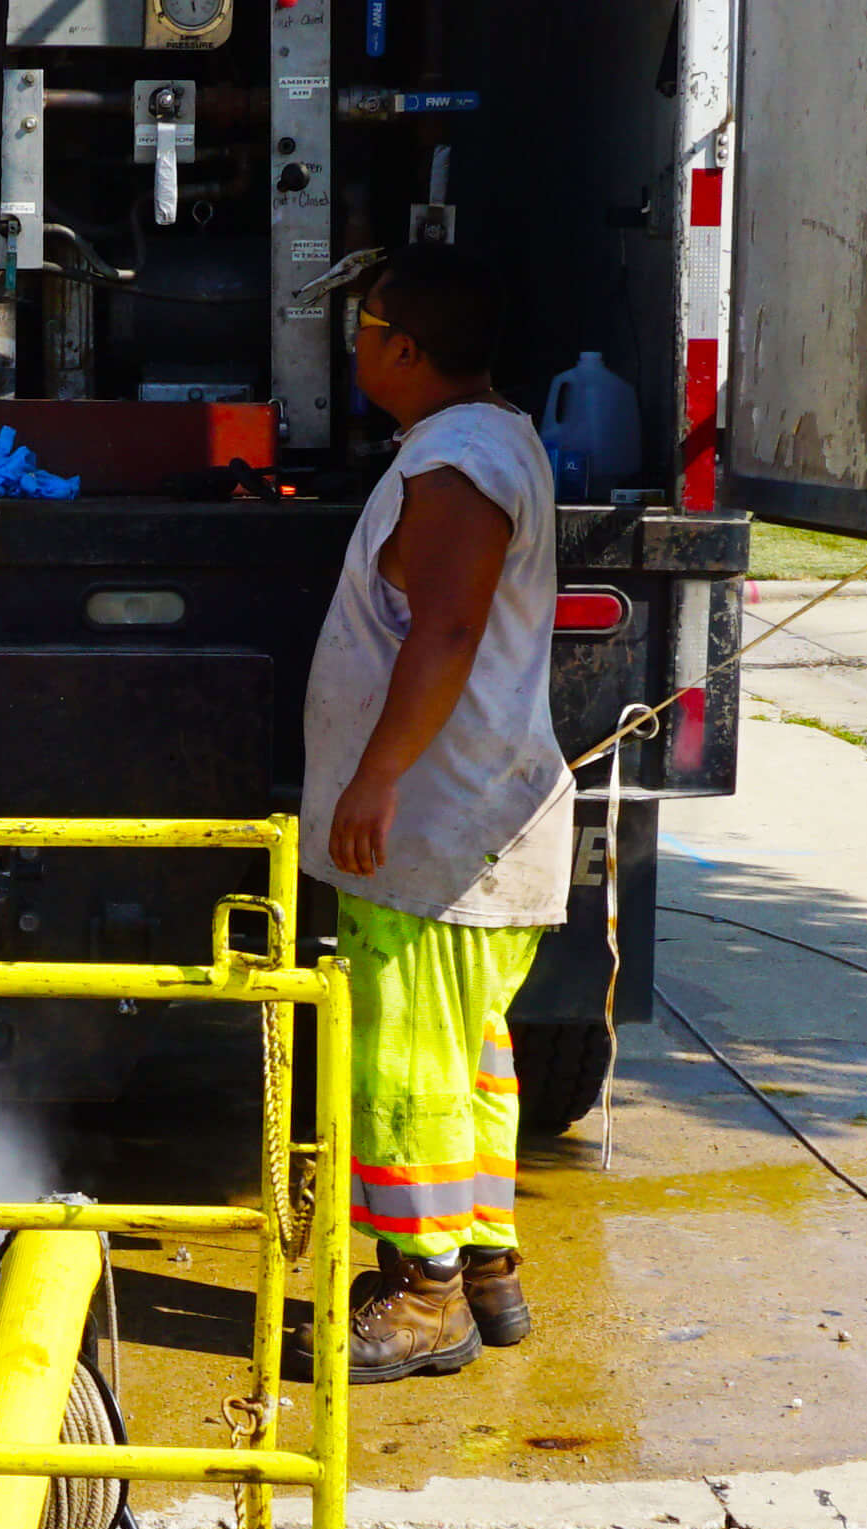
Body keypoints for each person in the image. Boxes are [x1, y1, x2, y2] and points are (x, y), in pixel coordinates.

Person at [301, 243, 575, 1383]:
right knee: (473, 1059)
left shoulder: (455, 463)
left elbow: (448, 632)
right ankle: (487, 1262)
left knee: (409, 1061)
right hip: (475, 821)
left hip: (441, 829)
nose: (353, 347)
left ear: (401, 349)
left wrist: (376, 778)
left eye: (362, 330)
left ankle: (425, 1298)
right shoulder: (481, 440)